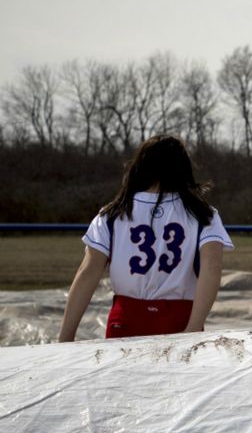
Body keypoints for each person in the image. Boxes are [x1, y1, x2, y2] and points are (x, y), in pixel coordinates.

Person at [59, 135, 233, 341]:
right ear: (183, 168)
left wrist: (66, 336)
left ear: (140, 166)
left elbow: (87, 273)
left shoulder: (112, 214)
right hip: (180, 319)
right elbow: (212, 267)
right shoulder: (203, 213)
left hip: (125, 320)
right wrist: (194, 327)